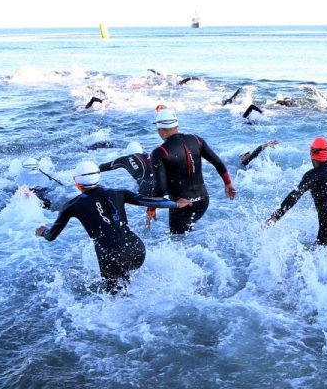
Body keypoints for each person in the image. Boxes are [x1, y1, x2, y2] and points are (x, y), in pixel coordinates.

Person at [35, 161, 191, 293]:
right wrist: (175, 204)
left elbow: (51, 236)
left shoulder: (71, 205)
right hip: (137, 250)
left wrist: (43, 232)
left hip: (111, 257)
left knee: (113, 295)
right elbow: (148, 200)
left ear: (77, 183)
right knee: (130, 281)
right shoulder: (119, 193)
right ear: (99, 177)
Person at [150, 108, 237, 234]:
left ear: (160, 129)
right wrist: (228, 183)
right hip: (203, 201)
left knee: (178, 241)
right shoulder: (196, 140)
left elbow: (160, 188)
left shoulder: (159, 152)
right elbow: (217, 162)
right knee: (190, 233)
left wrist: (151, 209)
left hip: (182, 205)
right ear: (176, 125)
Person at [99, 141, 159, 226]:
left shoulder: (126, 159)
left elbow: (104, 167)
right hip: (162, 186)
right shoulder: (148, 156)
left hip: (145, 188)